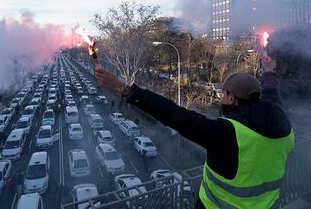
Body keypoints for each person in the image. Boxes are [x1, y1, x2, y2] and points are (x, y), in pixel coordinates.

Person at [95, 57, 294, 209]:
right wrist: (269, 70)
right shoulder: (281, 122)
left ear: (231, 98)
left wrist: (121, 87)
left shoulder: (226, 134)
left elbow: (172, 113)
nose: (221, 97)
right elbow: (271, 92)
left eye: (223, 93)